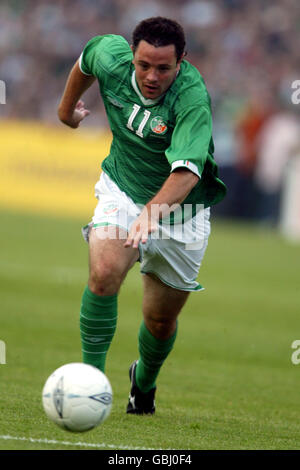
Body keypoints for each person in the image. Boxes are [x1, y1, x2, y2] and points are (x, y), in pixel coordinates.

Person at [57, 17, 226, 415]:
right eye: (143, 65)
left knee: (160, 321)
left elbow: (185, 172)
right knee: (103, 274)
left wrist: (153, 213)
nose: (151, 76)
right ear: (131, 56)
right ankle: (89, 386)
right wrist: (66, 112)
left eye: (163, 68)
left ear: (181, 61)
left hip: (180, 213)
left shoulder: (191, 100)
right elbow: (85, 61)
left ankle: (144, 381)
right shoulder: (110, 56)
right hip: (123, 189)